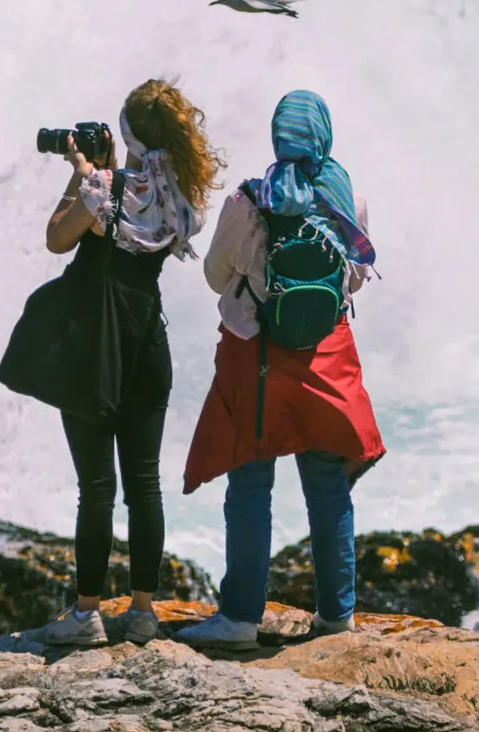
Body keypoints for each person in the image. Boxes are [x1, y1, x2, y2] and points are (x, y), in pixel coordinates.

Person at [176, 89, 384, 652]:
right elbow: (357, 278)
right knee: (327, 486)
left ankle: (241, 618)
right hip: (326, 355)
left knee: (250, 485)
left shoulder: (250, 200)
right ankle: (337, 616)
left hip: (257, 355)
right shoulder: (348, 199)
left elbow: (219, 276)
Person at [33, 80, 222, 647]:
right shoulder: (185, 197)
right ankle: (142, 611)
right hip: (149, 349)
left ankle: (87, 611)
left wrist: (82, 170)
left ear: (130, 135)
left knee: (96, 487)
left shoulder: (102, 190)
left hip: (96, 353)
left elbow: (55, 240)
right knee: (145, 485)